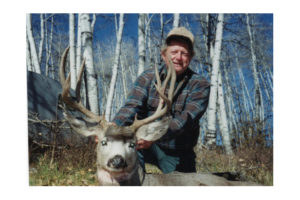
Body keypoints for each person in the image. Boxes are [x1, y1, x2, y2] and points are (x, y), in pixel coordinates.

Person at [113, 27, 210, 173]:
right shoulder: (148, 77)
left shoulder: (199, 84)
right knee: (125, 147)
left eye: (184, 53)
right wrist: (113, 127)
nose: (178, 57)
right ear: (164, 55)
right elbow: (131, 106)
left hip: (177, 152)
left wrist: (154, 135)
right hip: (142, 142)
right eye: (174, 52)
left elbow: (186, 120)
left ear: (190, 58)